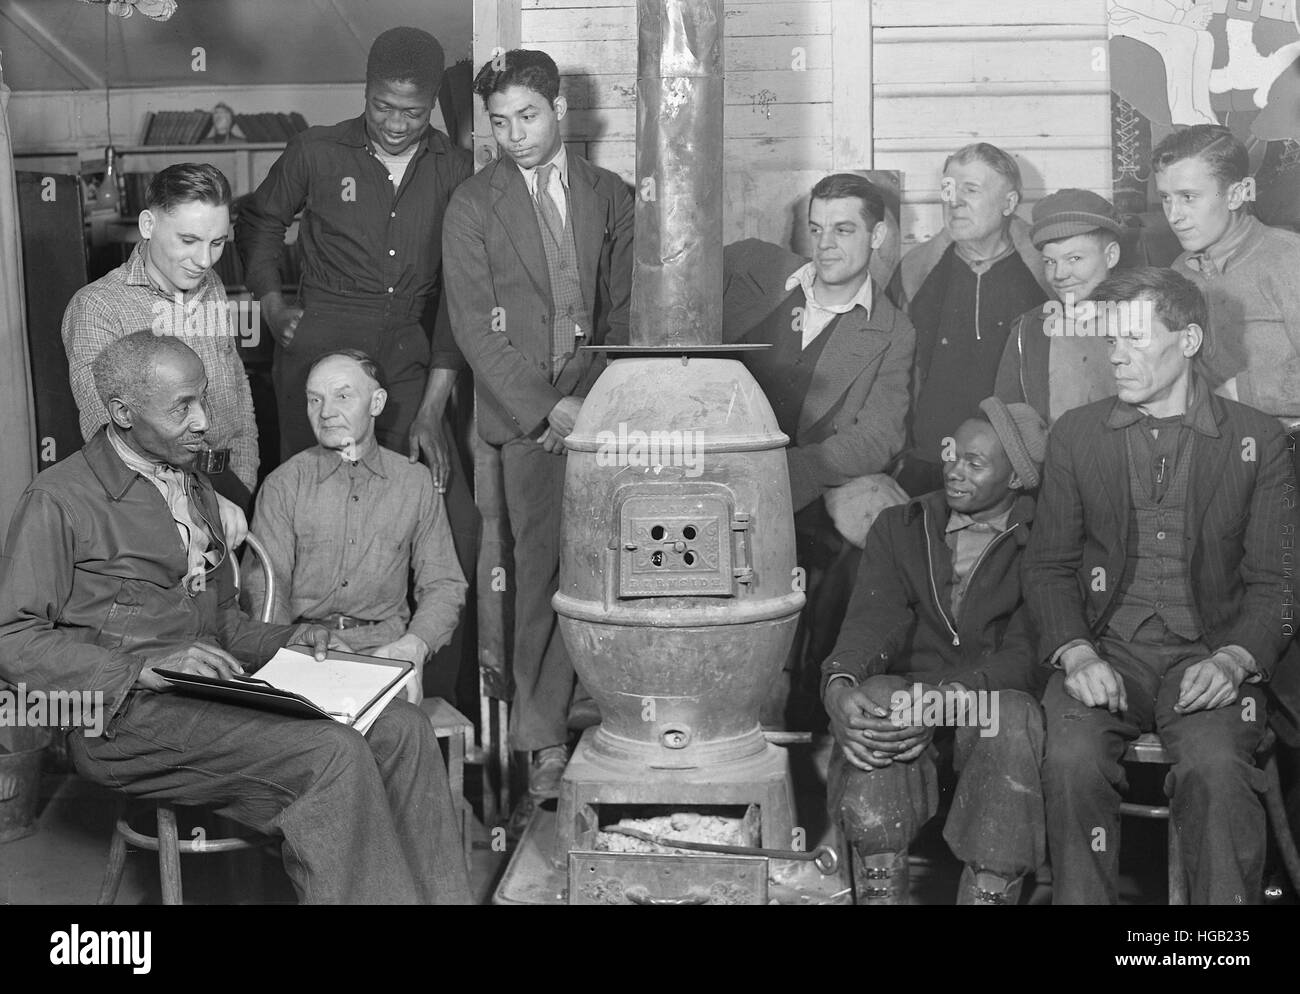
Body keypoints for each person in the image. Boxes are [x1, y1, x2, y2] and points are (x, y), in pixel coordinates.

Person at [0, 332, 471, 904]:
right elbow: (12, 639)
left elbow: (223, 624)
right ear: (123, 413)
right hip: (122, 720)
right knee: (330, 753)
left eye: (202, 400)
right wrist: (143, 667)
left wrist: (293, 638)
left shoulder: (191, 484)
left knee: (403, 730)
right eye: (182, 408)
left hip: (209, 697)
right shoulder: (60, 499)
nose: (203, 421)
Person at [1024, 267, 1299, 904]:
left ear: (1191, 340)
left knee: (1217, 772)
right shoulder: (1077, 433)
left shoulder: (1256, 440)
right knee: (1068, 763)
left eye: (1136, 339)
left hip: (1211, 655)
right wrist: (1076, 651)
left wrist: (1235, 659)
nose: (1116, 354)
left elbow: (1278, 582)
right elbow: (1048, 567)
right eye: (1111, 338)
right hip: (1107, 650)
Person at [443, 49, 634, 797]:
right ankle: (543, 742)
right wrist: (546, 407)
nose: (514, 134)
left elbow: (621, 313)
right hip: (528, 424)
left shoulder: (610, 195)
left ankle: (611, 718)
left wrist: (587, 400)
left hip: (603, 412)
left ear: (561, 110)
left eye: (527, 116)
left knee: (610, 572)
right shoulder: (472, 204)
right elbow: (473, 328)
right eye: (498, 123)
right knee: (541, 576)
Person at [821, 397, 1049, 905]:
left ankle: (989, 890)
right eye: (953, 455)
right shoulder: (903, 524)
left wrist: (946, 700)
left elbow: (1024, 657)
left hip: (989, 701)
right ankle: (880, 884)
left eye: (975, 463)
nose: (954, 471)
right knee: (876, 700)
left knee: (1012, 719)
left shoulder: (1043, 540)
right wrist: (839, 684)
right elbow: (870, 624)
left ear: (1015, 479)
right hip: (913, 699)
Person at [721, 173, 915, 721]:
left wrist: (794, 473)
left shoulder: (892, 330)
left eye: (844, 229)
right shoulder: (756, 270)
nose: (825, 243)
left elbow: (881, 434)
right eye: (816, 228)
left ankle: (804, 715)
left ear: (877, 237)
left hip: (804, 493)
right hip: (713, 477)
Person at [238, 26, 472, 474]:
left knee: (431, 497)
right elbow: (261, 221)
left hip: (408, 349)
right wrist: (271, 305)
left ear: (433, 105)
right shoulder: (315, 151)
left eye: (413, 112)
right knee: (315, 491)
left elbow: (459, 292)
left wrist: (433, 408)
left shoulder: (457, 171)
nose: (396, 124)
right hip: (318, 341)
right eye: (382, 106)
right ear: (365, 91)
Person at [242, 349, 467, 704]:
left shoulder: (414, 483)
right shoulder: (284, 484)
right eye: (315, 399)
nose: (326, 412)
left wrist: (415, 644)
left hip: (385, 653)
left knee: (397, 732)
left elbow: (444, 583)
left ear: (376, 403)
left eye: (343, 396)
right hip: (306, 652)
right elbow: (265, 590)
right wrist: (293, 649)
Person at [62, 162, 257, 538]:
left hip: (230, 487)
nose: (204, 260)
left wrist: (244, 479)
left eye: (217, 243)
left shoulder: (210, 284)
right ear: (148, 225)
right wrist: (200, 501)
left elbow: (236, 386)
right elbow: (108, 438)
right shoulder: (98, 307)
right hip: (159, 503)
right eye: (188, 240)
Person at [893, 143, 1048, 497]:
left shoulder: (1046, 274)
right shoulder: (915, 273)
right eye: (948, 189)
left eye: (971, 190)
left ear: (1009, 204)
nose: (954, 201)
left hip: (1019, 475)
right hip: (928, 468)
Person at [1154, 124, 1300, 480]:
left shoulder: (1288, 260)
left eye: (1189, 197)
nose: (1174, 215)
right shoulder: (1179, 272)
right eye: (1165, 198)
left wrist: (1241, 390)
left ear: (1236, 195)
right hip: (1216, 453)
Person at [994, 188, 1123, 424]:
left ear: (1111, 256)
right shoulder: (1028, 332)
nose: (1059, 274)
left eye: (1074, 258)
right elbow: (1009, 421)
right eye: (1050, 262)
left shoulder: (1144, 322)